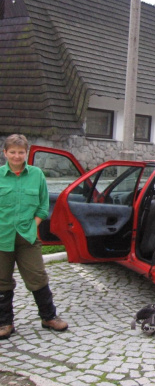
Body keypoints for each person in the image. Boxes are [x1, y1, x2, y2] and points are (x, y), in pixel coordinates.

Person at [0, 134, 68, 340]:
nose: (17, 156)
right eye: (12, 152)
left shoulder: (36, 175)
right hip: (2, 237)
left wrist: (33, 225)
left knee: (37, 277)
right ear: (5, 153)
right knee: (1, 280)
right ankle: (5, 323)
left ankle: (48, 317)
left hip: (27, 238)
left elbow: (42, 206)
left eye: (21, 152)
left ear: (26, 153)